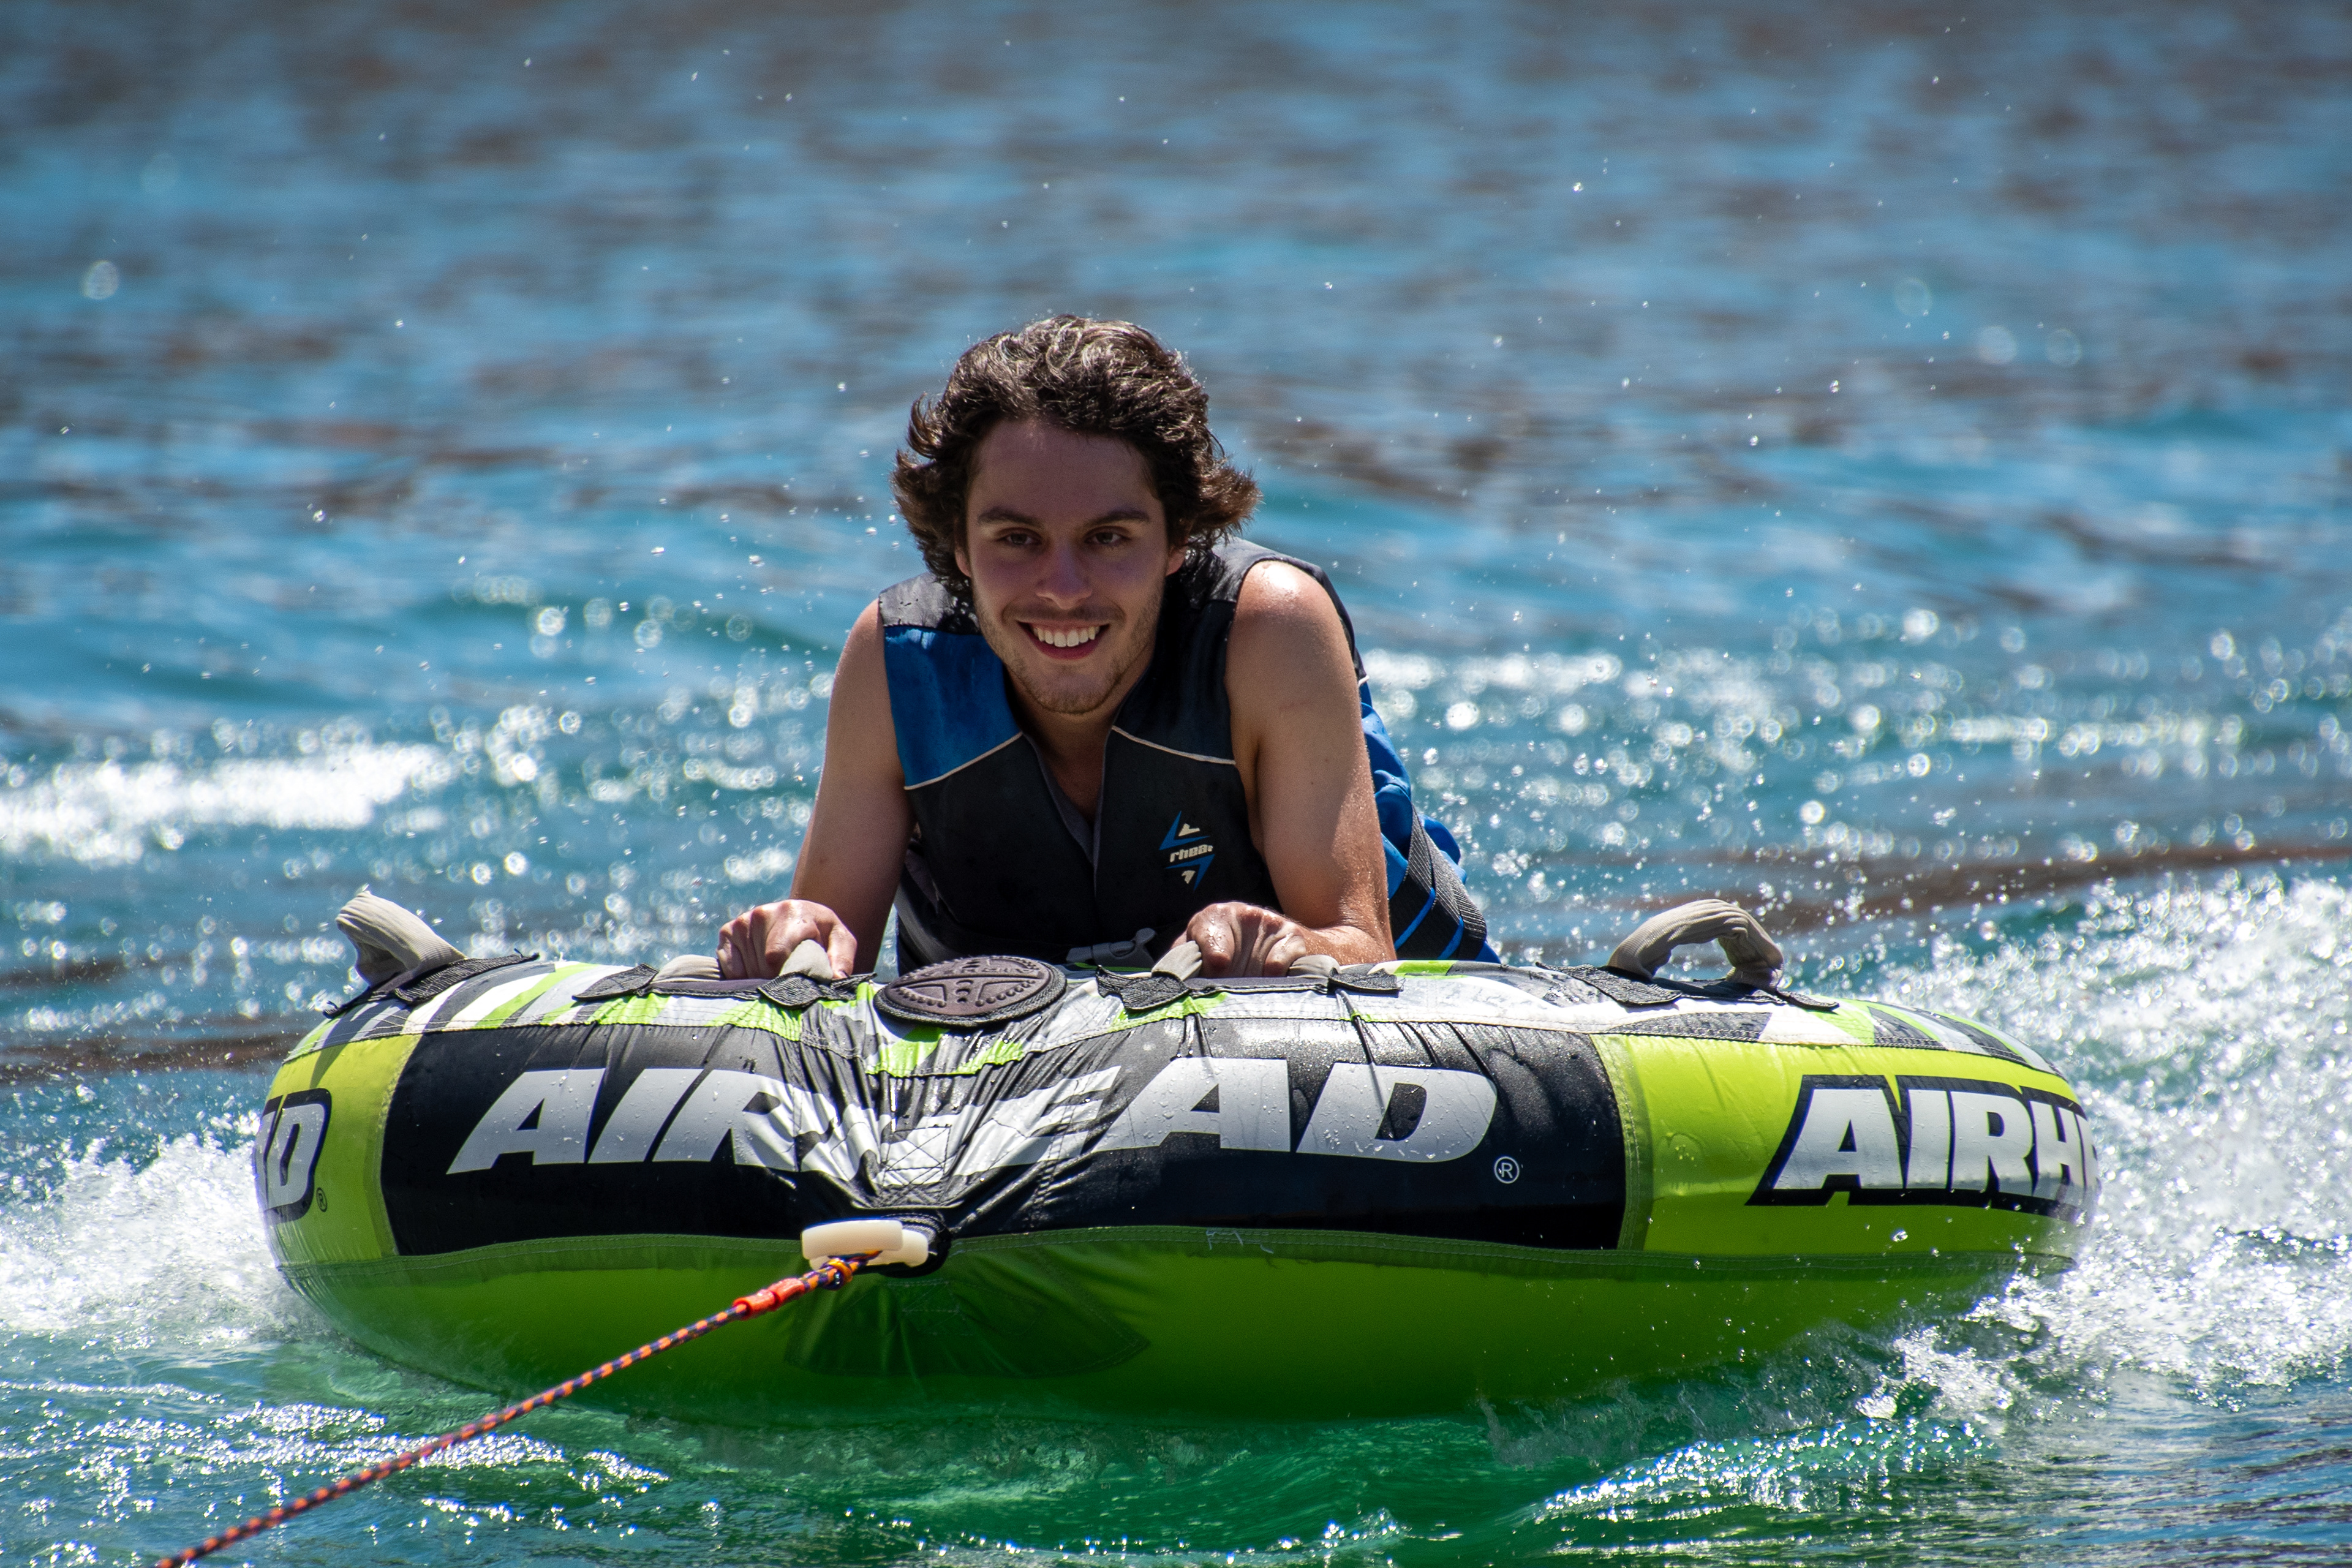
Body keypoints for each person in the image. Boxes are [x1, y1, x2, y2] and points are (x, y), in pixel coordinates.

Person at [717, 316, 1488, 981]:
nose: (1062, 587)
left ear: (1179, 534)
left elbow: (1364, 948)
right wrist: (792, 942)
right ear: (957, 542)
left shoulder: (1270, 632)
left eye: (1108, 537)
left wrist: (1299, 948)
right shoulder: (899, 661)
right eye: (1017, 538)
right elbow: (822, 964)